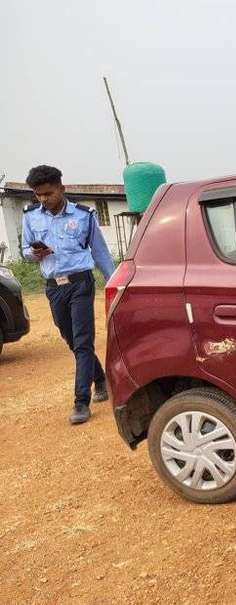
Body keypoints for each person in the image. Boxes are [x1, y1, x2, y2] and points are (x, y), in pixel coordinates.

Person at [21, 165, 116, 424]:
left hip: (80, 284)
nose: (43, 199)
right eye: (38, 195)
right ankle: (99, 377)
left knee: (83, 341)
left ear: (61, 188)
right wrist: (33, 254)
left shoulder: (84, 216)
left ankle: (81, 402)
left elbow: (100, 253)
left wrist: (115, 283)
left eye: (48, 193)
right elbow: (24, 251)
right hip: (53, 286)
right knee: (71, 339)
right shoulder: (30, 216)